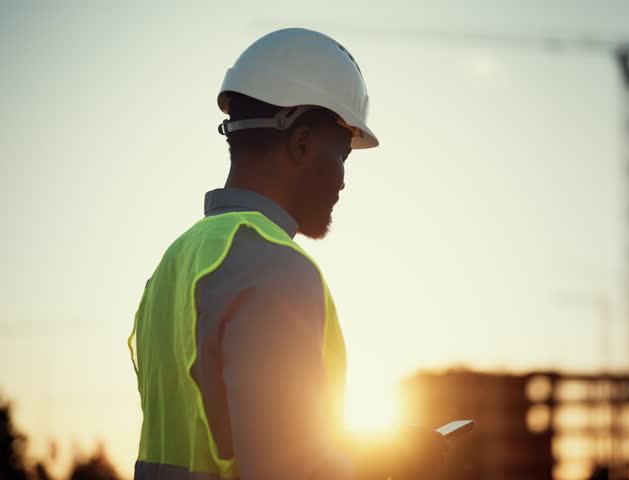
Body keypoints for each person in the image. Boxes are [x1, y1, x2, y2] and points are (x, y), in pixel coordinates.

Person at [128, 28, 446, 480]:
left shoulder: (175, 263)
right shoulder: (276, 270)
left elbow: (233, 435)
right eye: (343, 155)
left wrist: (378, 453)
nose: (342, 180)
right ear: (301, 142)